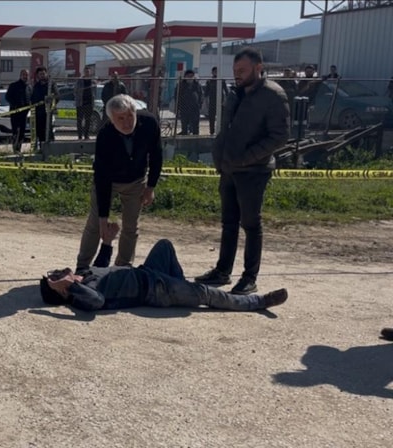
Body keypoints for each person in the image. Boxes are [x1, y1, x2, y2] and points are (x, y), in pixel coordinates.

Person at [195, 48, 290, 295]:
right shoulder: (236, 93)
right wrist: (220, 156)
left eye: (242, 70)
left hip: (254, 171)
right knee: (229, 222)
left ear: (258, 68)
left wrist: (247, 158)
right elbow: (226, 129)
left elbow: (280, 136)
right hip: (229, 169)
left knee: (251, 224)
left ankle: (249, 278)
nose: (237, 75)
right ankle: (222, 271)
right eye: (235, 70)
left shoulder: (273, 95)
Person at [43, 228, 288, 312]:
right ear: (63, 290)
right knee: (205, 294)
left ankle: (184, 292)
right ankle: (257, 302)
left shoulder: (84, 274)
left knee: (164, 245)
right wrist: (72, 287)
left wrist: (107, 242)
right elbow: (98, 301)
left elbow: (101, 266)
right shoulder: (84, 295)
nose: (59, 270)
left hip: (149, 272)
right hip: (155, 290)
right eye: (56, 276)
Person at [75, 94, 162, 273]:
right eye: (120, 118)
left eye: (130, 115)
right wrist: (103, 218)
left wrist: (151, 187)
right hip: (109, 181)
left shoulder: (150, 123)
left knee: (131, 226)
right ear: (111, 119)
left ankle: (123, 268)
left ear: (135, 111)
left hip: (136, 180)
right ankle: (82, 267)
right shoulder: (105, 135)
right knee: (95, 224)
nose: (127, 122)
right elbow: (102, 177)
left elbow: (156, 156)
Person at [30, 66, 58, 148]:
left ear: (46, 74)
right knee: (39, 131)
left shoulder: (51, 84)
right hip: (38, 112)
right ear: (38, 75)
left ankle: (50, 148)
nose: (42, 75)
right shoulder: (36, 85)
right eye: (40, 74)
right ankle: (41, 148)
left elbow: (57, 96)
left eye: (43, 73)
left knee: (48, 130)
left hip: (48, 112)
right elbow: (33, 97)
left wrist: (51, 101)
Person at [5, 68, 32, 152]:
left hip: (24, 114)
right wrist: (14, 105)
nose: (25, 76)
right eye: (24, 75)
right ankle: (15, 148)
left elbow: (31, 99)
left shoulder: (29, 87)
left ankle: (18, 149)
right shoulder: (14, 85)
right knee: (15, 132)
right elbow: (8, 97)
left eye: (26, 75)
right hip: (15, 113)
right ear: (20, 75)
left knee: (22, 132)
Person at [176, 69, 203, 135]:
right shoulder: (181, 85)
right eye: (188, 76)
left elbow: (201, 95)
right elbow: (177, 96)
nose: (190, 78)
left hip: (195, 108)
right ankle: (184, 135)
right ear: (185, 76)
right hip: (184, 108)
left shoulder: (197, 85)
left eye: (191, 76)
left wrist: (200, 104)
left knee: (195, 125)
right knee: (184, 124)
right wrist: (178, 106)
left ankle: (195, 137)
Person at [74, 66, 96, 140]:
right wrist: (78, 99)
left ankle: (86, 135)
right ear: (84, 72)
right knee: (79, 120)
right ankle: (80, 136)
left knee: (88, 120)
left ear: (90, 72)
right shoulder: (79, 81)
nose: (87, 73)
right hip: (81, 104)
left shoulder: (93, 81)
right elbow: (75, 91)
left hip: (89, 103)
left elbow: (94, 92)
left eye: (88, 71)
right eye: (86, 71)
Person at [205, 67, 228, 136]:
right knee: (211, 118)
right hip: (212, 102)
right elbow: (206, 93)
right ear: (212, 72)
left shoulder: (222, 81)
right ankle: (212, 131)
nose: (216, 73)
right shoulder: (209, 81)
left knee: (222, 118)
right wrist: (207, 102)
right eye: (214, 71)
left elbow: (226, 92)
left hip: (221, 102)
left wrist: (225, 101)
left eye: (217, 71)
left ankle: (221, 131)